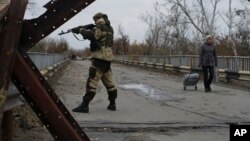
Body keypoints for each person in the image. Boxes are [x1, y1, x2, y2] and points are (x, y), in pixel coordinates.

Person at [72, 12, 117, 113]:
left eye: (95, 20)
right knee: (110, 84)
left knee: (91, 83)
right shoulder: (110, 28)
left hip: (99, 59)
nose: (94, 22)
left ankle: (84, 106)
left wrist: (80, 30)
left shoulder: (100, 26)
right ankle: (112, 104)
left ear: (98, 19)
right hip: (107, 60)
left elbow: (94, 36)